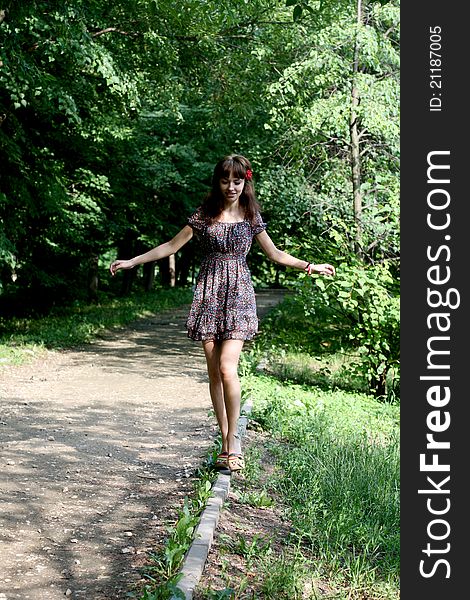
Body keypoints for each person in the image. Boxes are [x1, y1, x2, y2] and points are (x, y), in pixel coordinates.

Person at [110, 155, 335, 472]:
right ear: (218, 181)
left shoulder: (250, 215)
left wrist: (309, 266)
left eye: (237, 181)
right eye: (226, 180)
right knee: (214, 372)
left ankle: (234, 444)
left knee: (228, 368)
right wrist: (133, 261)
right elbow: (171, 247)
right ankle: (225, 438)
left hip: (239, 295)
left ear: (246, 182)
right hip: (209, 294)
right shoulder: (205, 214)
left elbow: (274, 253)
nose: (231, 187)